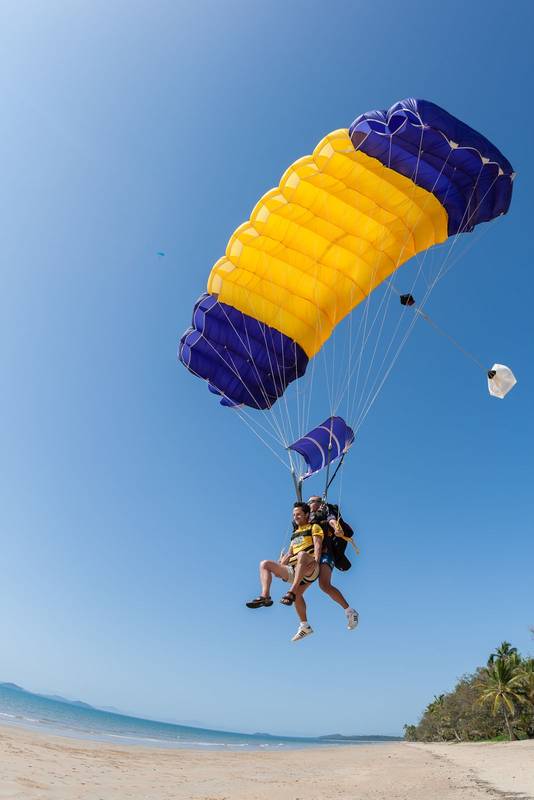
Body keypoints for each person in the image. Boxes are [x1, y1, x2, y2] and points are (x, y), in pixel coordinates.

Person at [245, 502, 323, 642]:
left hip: (311, 567)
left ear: (307, 514)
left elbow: (318, 545)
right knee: (265, 564)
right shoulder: (295, 533)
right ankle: (265, 597)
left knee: (302, 555)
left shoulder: (314, 527)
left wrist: (316, 561)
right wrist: (280, 565)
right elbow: (289, 553)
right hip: (295, 568)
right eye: (294, 515)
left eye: (298, 514)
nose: (295, 517)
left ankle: (292, 591)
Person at [307, 496, 359, 631]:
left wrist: (337, 528)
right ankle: (303, 624)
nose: (310, 503)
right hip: (308, 555)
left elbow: (332, 520)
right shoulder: (304, 517)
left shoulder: (326, 511)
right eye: (309, 502)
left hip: (325, 553)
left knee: (324, 585)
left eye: (313, 501)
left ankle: (350, 612)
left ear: (320, 503)